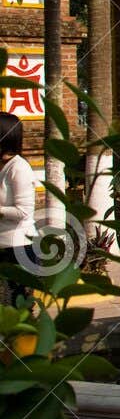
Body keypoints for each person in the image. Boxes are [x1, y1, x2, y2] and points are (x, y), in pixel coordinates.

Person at [0, 112, 37, 303]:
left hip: (18, 250)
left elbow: (23, 211)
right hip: (3, 248)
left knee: (17, 308)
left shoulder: (18, 168)